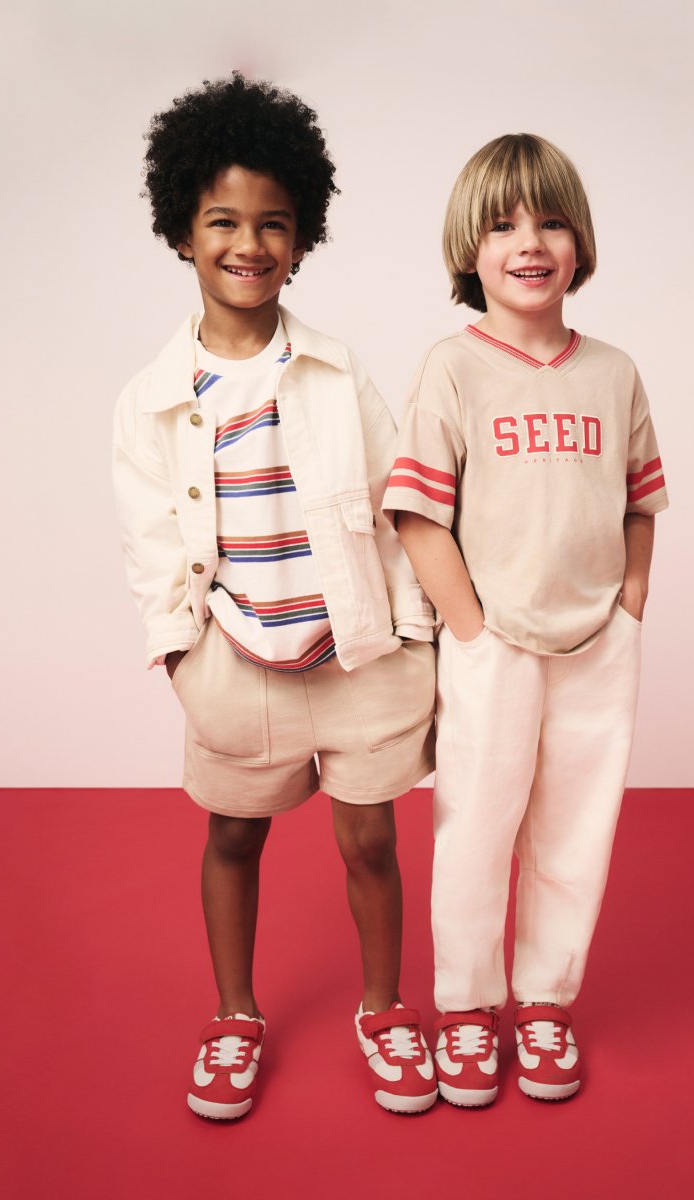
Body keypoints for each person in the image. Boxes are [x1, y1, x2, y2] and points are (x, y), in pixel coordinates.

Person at [112, 74, 438, 1119]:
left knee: (371, 841)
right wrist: (180, 658)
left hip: (356, 656)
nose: (247, 244)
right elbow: (152, 542)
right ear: (181, 232)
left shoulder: (338, 375)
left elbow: (398, 504)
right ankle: (235, 1014)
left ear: (300, 240)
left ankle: (384, 1009)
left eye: (272, 224)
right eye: (222, 221)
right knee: (234, 837)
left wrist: (417, 634)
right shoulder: (151, 402)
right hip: (236, 662)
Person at [384, 133, 668, 1107]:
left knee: (577, 826)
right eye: (502, 226)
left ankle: (545, 1000)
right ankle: (467, 1007)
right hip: (493, 641)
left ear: (579, 242)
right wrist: (469, 627)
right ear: (471, 249)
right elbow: (417, 515)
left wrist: (630, 604)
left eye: (549, 221)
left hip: (597, 643)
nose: (529, 242)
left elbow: (641, 500)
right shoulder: (454, 369)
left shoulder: (614, 373)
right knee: (478, 823)